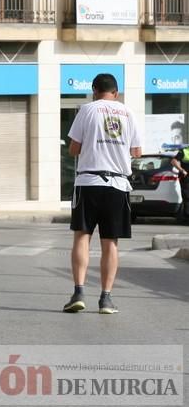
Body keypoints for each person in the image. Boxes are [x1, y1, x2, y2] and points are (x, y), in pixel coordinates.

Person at [63, 73, 141, 315]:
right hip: (117, 185)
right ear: (116, 93)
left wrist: (94, 144)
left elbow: (73, 148)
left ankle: (78, 292)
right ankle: (106, 299)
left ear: (94, 90)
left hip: (88, 181)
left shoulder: (87, 110)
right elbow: (137, 152)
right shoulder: (128, 113)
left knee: (82, 237)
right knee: (110, 243)